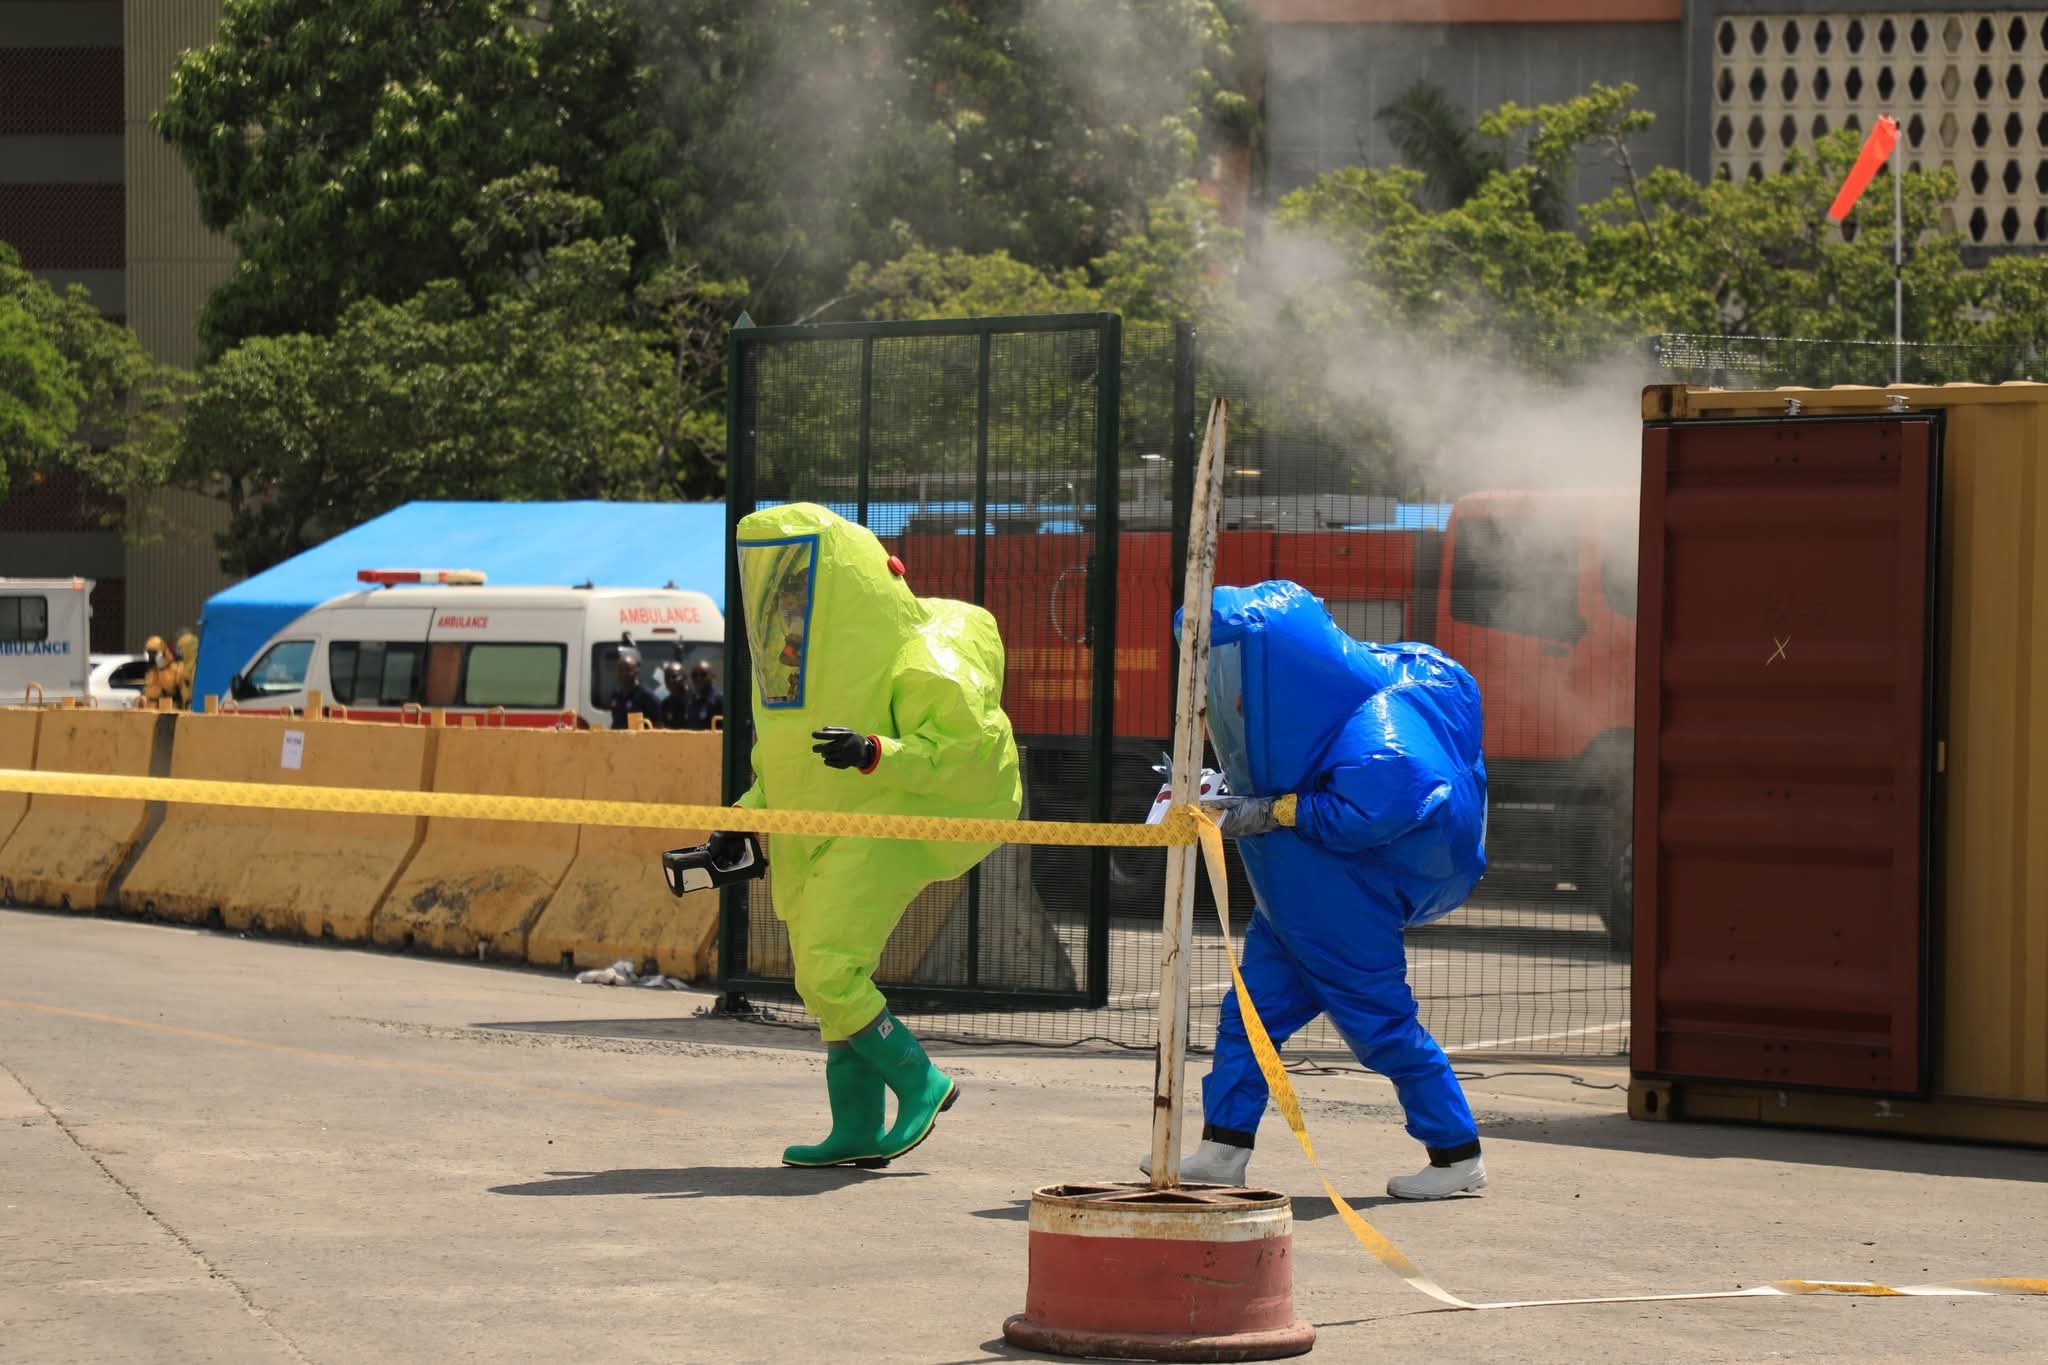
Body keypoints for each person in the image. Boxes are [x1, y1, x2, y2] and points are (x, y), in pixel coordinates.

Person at [1139, 580, 1490, 1200]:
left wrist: (1274, 811)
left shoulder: (1375, 726)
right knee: (1247, 1022)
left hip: (1341, 906)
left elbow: (1373, 806)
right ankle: (1223, 1150)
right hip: (1293, 901)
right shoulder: (1310, 705)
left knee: (1382, 1029)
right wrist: (1243, 799)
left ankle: (1457, 1155)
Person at [713, 502, 1020, 1168]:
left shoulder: (918, 654)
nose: (785, 608)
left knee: (828, 968)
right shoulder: (796, 678)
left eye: (797, 588)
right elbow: (783, 768)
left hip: (887, 818)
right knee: (825, 980)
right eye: (777, 589)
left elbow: (961, 749)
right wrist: (739, 821)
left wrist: (877, 752)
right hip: (815, 834)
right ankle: (855, 1127)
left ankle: (920, 1080)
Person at [607, 647, 661, 731]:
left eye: (627, 669)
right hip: (619, 737)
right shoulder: (616, 695)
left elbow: (658, 724)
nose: (623, 673)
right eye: (620, 670)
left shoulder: (646, 696)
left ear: (636, 671)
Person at [663, 658, 723, 731]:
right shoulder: (691, 701)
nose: (698, 678)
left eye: (703, 675)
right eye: (694, 675)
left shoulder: (720, 700)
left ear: (712, 676)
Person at [138, 635, 181, 709]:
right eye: (149, 653)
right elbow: (149, 688)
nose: (152, 656)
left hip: (167, 708)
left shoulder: (173, 667)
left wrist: (162, 668)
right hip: (150, 708)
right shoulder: (151, 670)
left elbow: (169, 688)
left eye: (154, 653)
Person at [173, 629, 199, 709]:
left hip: (194, 708)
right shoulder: (185, 665)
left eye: (180, 649)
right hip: (186, 707)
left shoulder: (196, 667)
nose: (178, 652)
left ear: (188, 649)